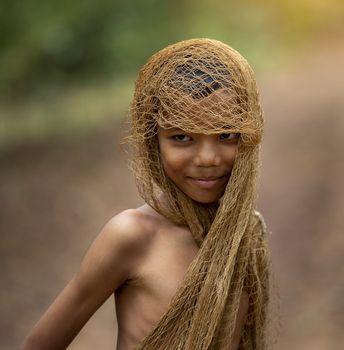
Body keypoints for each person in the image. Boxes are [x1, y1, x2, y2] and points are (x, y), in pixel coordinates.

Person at [22, 38, 271, 350]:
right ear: (153, 141)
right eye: (182, 137)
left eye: (226, 135)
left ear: (250, 135)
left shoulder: (245, 234)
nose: (208, 157)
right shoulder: (132, 236)